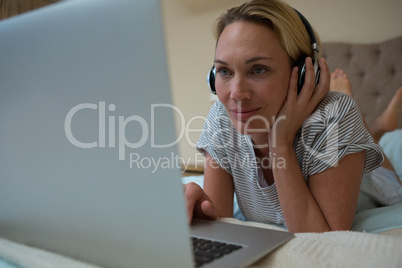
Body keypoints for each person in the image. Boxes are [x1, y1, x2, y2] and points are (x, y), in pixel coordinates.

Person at [184, 0, 395, 233]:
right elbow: (221, 225)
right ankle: (374, 128)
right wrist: (201, 210)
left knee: (374, 149)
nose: (236, 94)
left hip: (375, 178)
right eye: (224, 71)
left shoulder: (335, 115)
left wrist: (280, 142)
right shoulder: (222, 117)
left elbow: (325, 240)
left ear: (305, 74)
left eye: (258, 69)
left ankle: (377, 128)